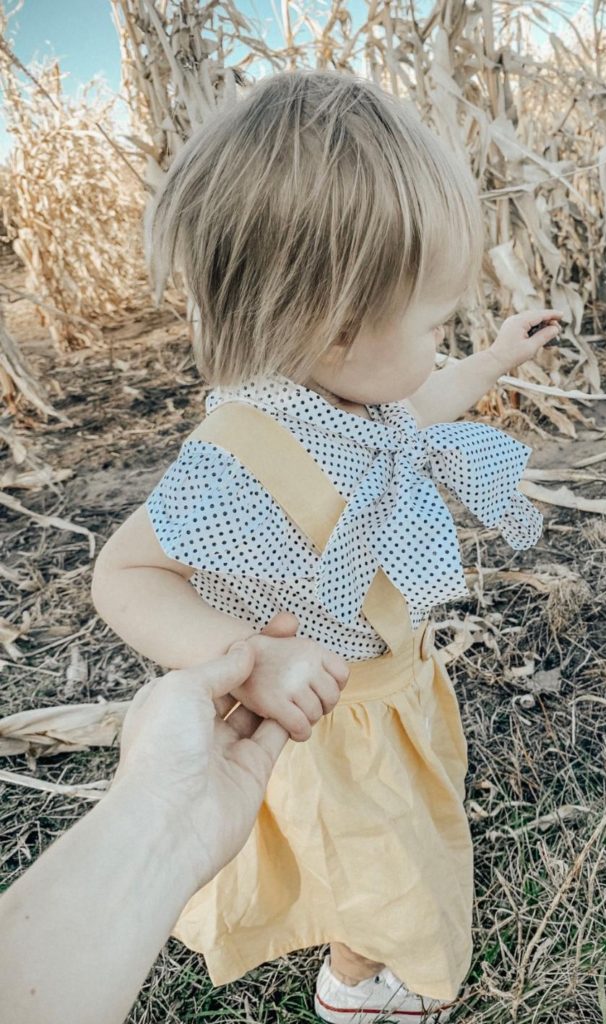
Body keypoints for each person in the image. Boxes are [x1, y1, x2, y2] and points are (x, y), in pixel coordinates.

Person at [90, 68, 561, 1024]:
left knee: (390, 849)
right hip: (330, 720)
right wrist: (250, 659)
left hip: (392, 693)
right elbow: (125, 575)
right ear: (337, 323)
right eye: (439, 324)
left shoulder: (357, 402)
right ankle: (358, 990)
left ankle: (360, 966)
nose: (445, 341)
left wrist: (498, 355)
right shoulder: (245, 449)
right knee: (386, 865)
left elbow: (423, 403)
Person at [0, 612, 330, 1024]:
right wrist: (252, 659)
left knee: (381, 857)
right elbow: (121, 573)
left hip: (375, 730)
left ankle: (363, 955)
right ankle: (354, 981)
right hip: (272, 741)